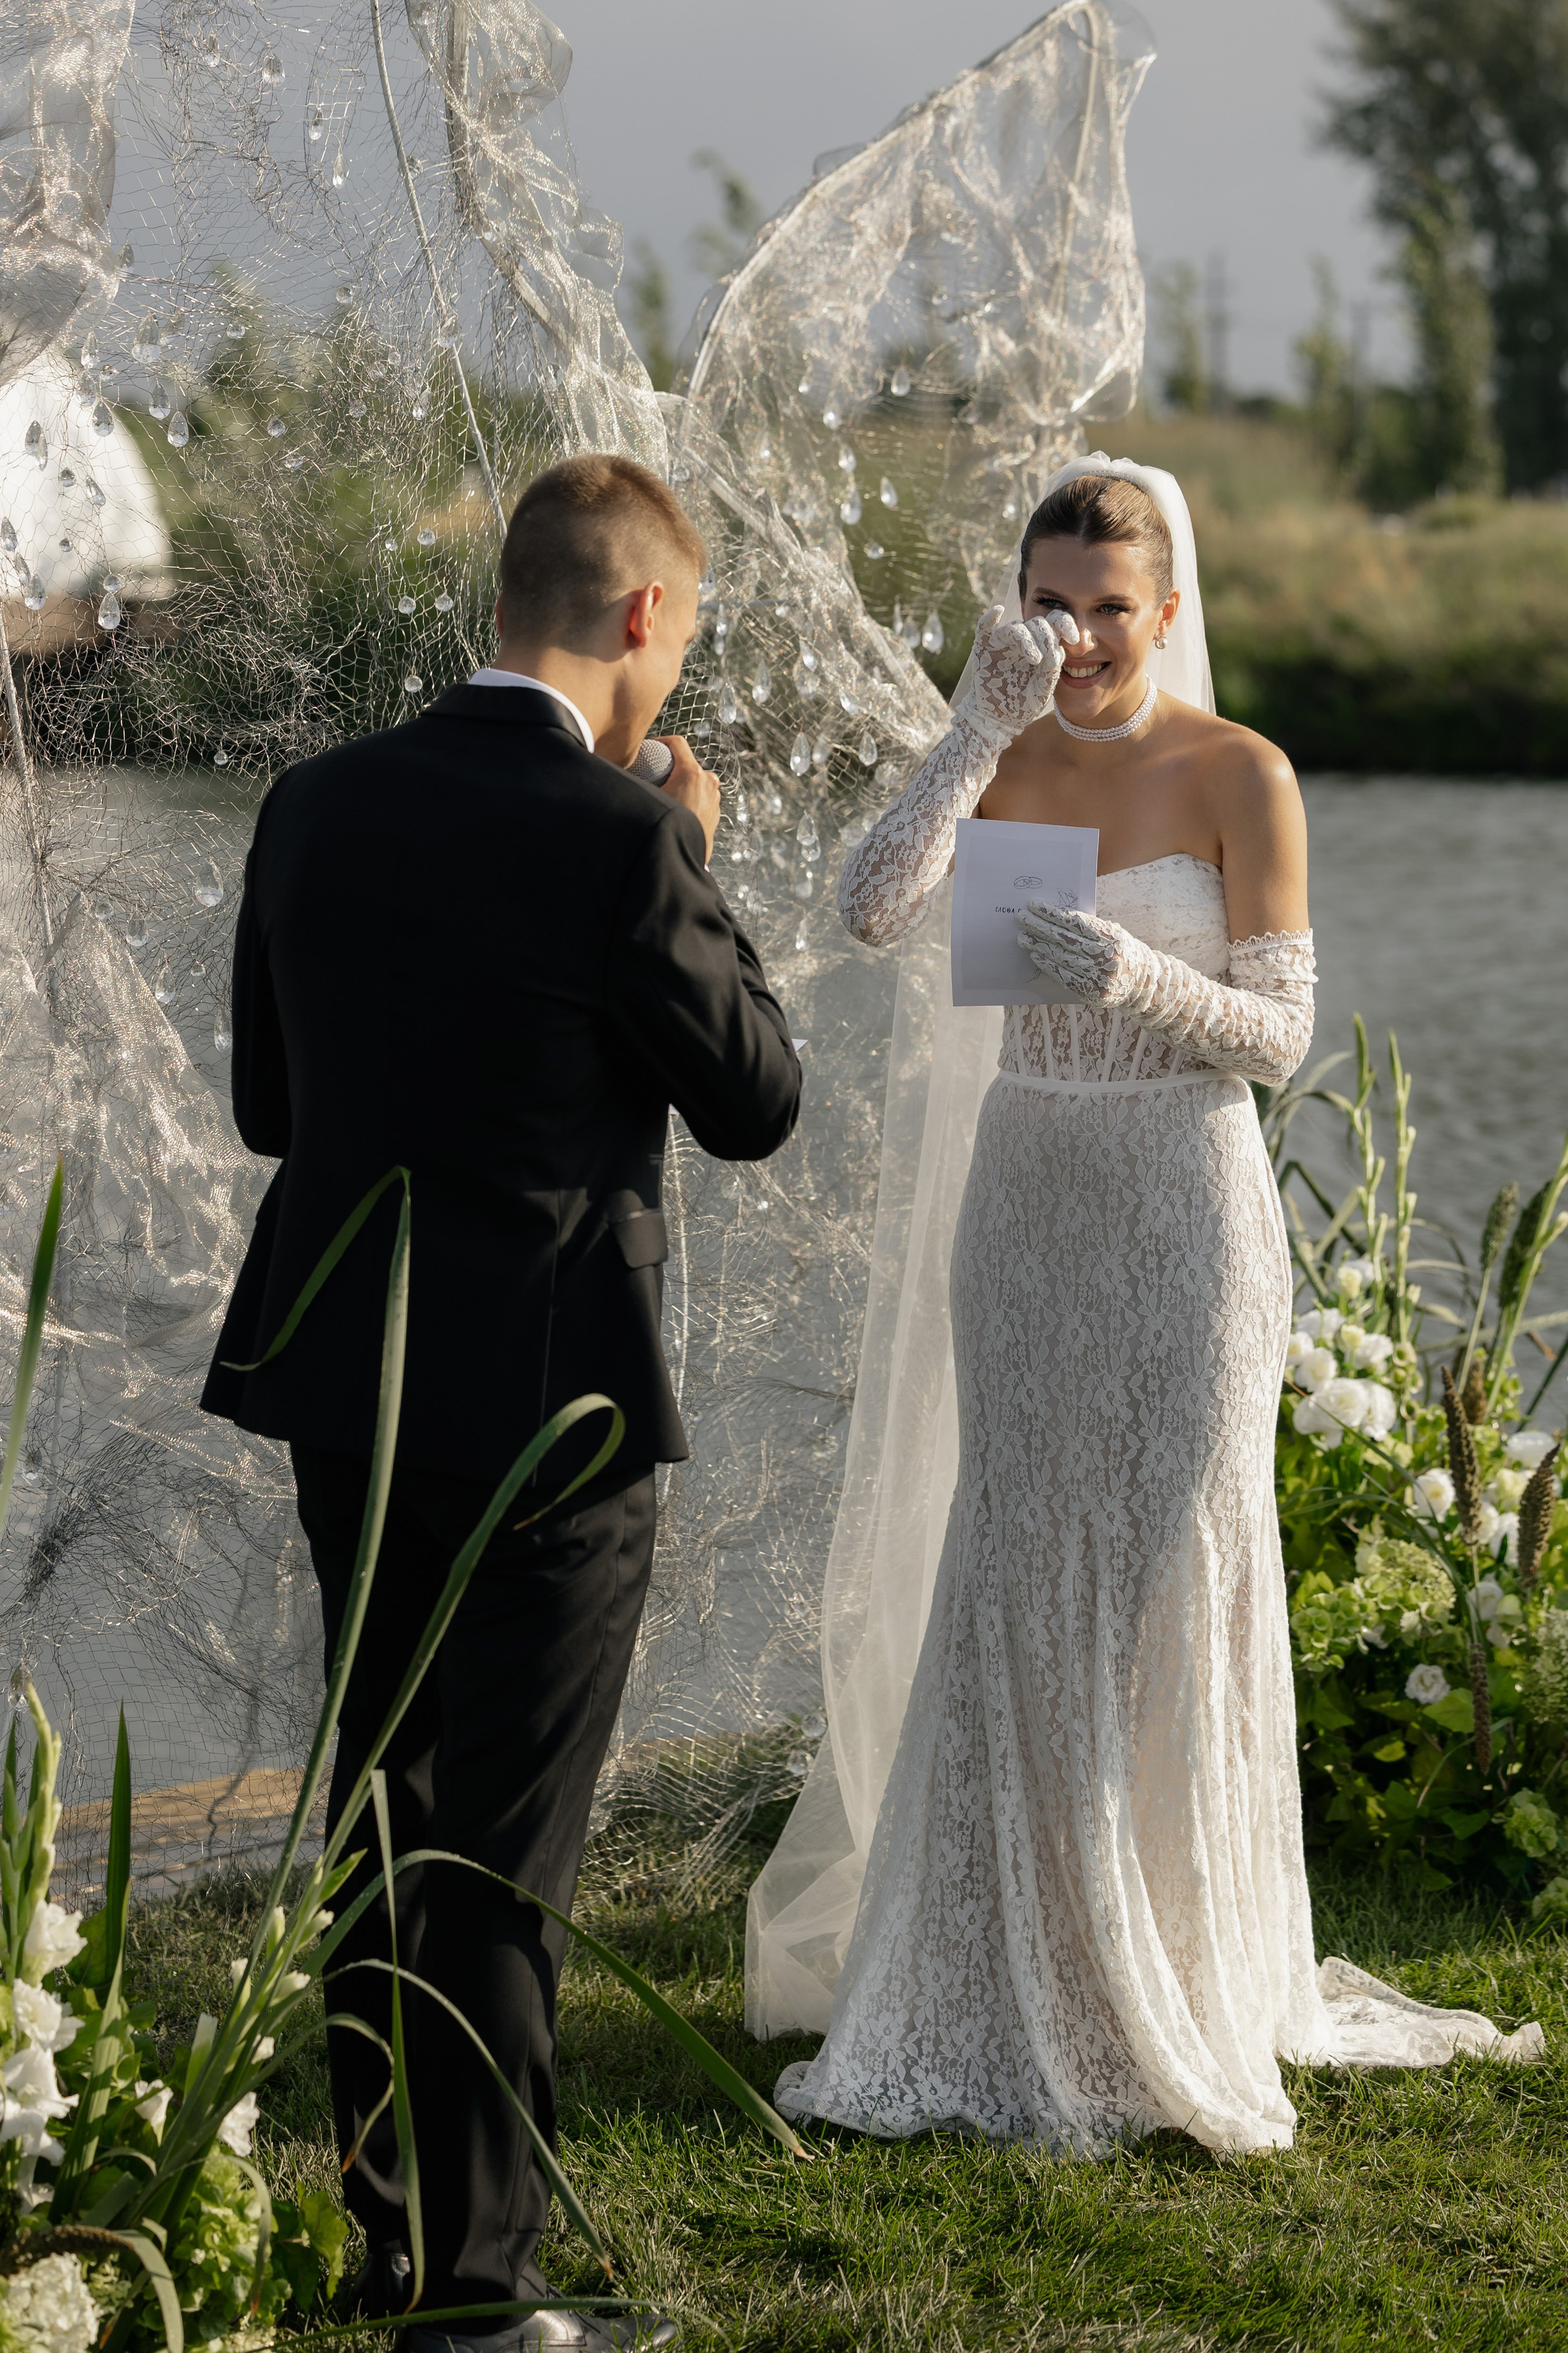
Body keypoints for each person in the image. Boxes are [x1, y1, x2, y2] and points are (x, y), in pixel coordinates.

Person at [755, 458, 1539, 2156]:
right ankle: (1009, 1963)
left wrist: (1137, 974)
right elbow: (871, 907)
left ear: (1166, 610)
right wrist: (971, 729)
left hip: (1186, 1201)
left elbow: (1280, 1039)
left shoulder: (1240, 771)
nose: (1083, 638)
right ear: (1021, 606)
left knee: (1173, 1559)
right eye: (1052, 605)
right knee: (1024, 1547)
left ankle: (1175, 1962)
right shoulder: (1006, 751)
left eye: (1112, 608)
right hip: (1030, 1189)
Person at [202, 453, 802, 2349]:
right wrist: (692, 854)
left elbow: (272, 1108)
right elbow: (757, 1097)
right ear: (642, 615)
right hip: (558, 1403)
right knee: (508, 1848)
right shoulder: (626, 837)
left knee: (384, 1806)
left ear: (500, 603)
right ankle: (478, 2299)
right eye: (680, 636)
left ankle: (393, 2241)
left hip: (349, 1380)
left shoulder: (315, 800)